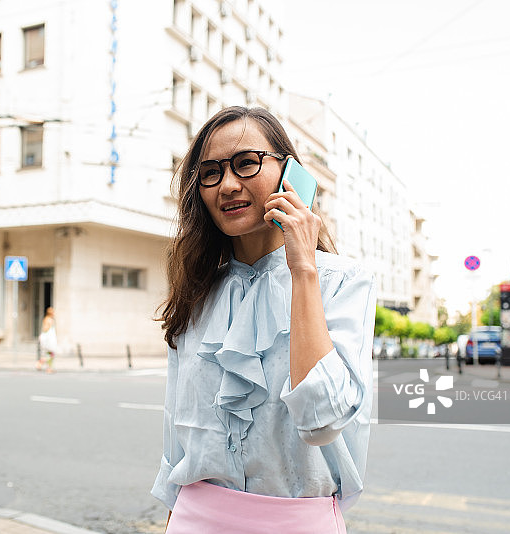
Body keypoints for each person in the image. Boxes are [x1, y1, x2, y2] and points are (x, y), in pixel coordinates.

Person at [152, 106, 376, 533]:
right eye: (210, 173)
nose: (228, 185)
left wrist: (304, 270)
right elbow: (175, 433)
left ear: (289, 172)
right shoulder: (198, 292)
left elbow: (323, 418)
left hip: (297, 523)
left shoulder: (344, 282)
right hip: (194, 520)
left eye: (246, 163)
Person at [36, 307, 57, 373]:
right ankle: (41, 363)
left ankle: (48, 368)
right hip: (49, 340)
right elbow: (45, 329)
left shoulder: (49, 319)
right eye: (53, 312)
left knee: (50, 354)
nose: (54, 313)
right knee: (50, 355)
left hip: (50, 339)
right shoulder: (48, 319)